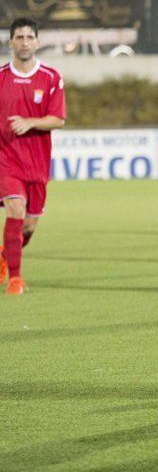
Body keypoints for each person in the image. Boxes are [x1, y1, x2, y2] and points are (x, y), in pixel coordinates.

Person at [0, 18, 66, 295]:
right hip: (6, 160)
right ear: (11, 42)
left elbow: (58, 119)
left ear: (37, 42)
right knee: (15, 210)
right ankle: (15, 279)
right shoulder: (1, 77)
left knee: (28, 226)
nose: (24, 42)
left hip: (37, 164)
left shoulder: (50, 77)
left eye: (29, 37)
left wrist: (30, 122)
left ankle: (5, 257)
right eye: (19, 37)